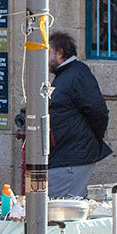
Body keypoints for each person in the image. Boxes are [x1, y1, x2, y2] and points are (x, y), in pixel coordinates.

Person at [46, 32, 111, 200]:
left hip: (71, 157)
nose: (44, 59)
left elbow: (98, 112)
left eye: (48, 52)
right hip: (63, 154)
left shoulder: (77, 74)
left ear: (60, 53)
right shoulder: (64, 76)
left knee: (58, 208)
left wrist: (91, 138)